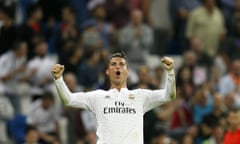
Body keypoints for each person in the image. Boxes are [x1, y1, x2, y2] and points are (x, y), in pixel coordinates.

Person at [51, 51, 176, 144]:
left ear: (127, 71)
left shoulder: (140, 96)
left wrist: (170, 73)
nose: (117, 67)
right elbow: (68, 99)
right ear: (107, 71)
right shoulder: (97, 97)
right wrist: (58, 79)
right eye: (113, 64)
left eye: (122, 64)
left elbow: (169, 95)